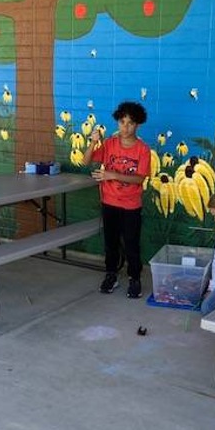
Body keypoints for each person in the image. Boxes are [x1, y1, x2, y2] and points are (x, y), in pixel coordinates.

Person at [83, 101, 151, 298]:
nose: (125, 127)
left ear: (138, 125)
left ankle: (134, 278)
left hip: (131, 205)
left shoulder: (142, 150)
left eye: (130, 123)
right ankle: (111, 274)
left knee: (131, 243)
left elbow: (139, 178)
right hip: (109, 202)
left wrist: (112, 175)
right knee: (110, 242)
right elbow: (86, 161)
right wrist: (93, 142)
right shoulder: (110, 144)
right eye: (122, 122)